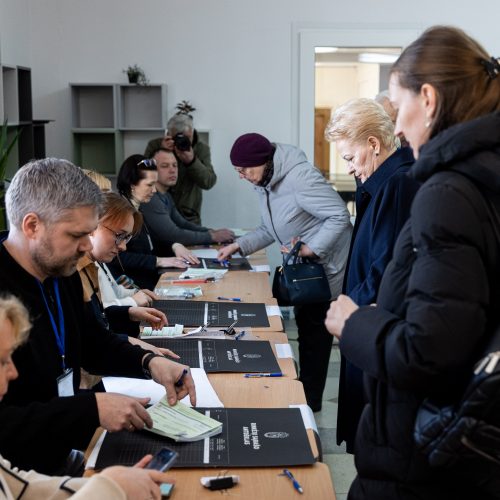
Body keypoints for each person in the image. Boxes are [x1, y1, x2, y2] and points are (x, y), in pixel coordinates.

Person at [325, 26, 500, 499]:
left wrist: (354, 322)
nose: (397, 127)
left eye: (399, 107)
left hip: (421, 456)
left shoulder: (447, 192)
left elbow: (428, 350)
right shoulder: (477, 177)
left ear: (428, 98)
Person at [0, 158, 196, 475]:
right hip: (18, 477)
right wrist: (88, 408)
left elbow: (93, 341)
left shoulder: (59, 269)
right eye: (77, 235)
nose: (85, 247)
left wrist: (148, 362)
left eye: (90, 233)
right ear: (32, 225)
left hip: (64, 454)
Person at [219, 133, 352, 411]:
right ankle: (302, 393)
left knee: (314, 336)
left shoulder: (299, 178)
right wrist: (239, 246)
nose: (242, 176)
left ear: (264, 162)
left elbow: (340, 215)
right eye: (237, 171)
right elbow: (271, 228)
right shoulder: (264, 183)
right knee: (306, 331)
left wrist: (311, 248)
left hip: (323, 272)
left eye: (245, 170)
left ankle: (309, 402)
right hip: (303, 271)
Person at [0, 294, 172, 500]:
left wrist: (113, 483)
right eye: (2, 361)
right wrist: (109, 487)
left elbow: (23, 487)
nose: (13, 372)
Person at [324, 97, 419, 452]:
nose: (348, 168)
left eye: (350, 157)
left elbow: (388, 267)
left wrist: (347, 314)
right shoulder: (384, 182)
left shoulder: (398, 183)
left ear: (374, 144)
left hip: (372, 323)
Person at [109, 155, 200, 290]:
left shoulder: (137, 209)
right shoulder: (120, 214)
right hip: (134, 290)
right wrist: (158, 261)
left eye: (155, 184)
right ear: (132, 184)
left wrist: (174, 246)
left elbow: (151, 245)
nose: (154, 190)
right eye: (150, 185)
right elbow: (116, 257)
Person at [140, 148, 234, 255]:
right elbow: (173, 234)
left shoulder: (166, 195)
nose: (172, 170)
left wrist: (210, 231)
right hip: (157, 262)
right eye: (165, 166)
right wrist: (212, 236)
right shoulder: (150, 198)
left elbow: (182, 223)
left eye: (175, 165)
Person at [144, 114, 216, 224]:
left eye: (187, 137)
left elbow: (209, 182)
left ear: (192, 132)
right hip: (159, 209)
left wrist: (192, 161)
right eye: (178, 137)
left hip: (189, 215)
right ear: (169, 134)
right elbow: (142, 174)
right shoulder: (156, 145)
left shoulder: (201, 149)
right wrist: (161, 151)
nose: (183, 141)